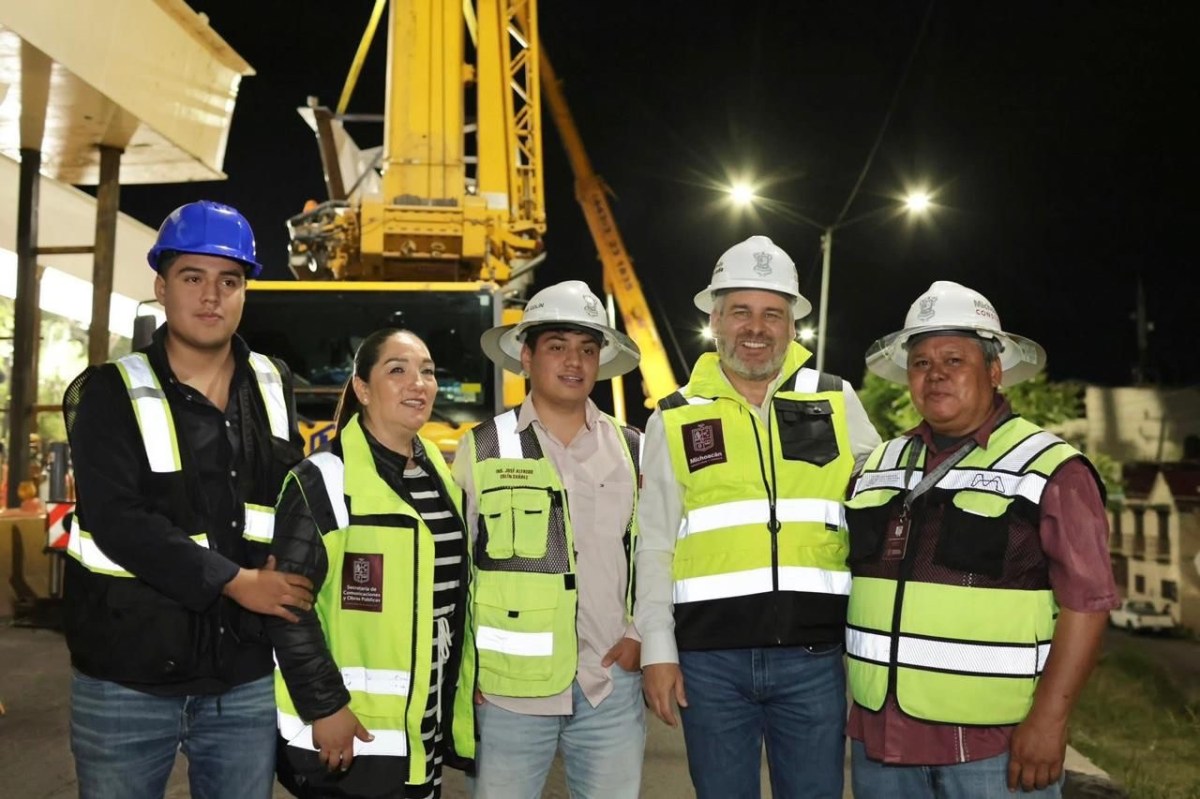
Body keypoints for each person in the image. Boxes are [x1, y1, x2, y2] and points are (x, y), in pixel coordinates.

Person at [62, 200, 310, 799]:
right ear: (161, 286)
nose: (211, 296)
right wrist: (236, 582)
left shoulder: (273, 384)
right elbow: (119, 521)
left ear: (245, 291)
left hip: (242, 677)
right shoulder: (110, 392)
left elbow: (290, 499)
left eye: (229, 280)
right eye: (192, 277)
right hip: (127, 678)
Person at [845, 280, 1117, 797]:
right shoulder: (879, 464)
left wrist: (1050, 722)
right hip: (880, 743)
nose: (935, 374)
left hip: (994, 750)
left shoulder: (1050, 468)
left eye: (954, 360)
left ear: (994, 371)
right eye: (921, 363)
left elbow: (1088, 605)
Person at [636, 235, 881, 799]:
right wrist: (658, 652)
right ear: (715, 322)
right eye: (740, 311)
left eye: (772, 314)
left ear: (793, 326)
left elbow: (879, 501)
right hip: (708, 665)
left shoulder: (836, 399)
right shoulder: (674, 417)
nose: (756, 327)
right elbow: (654, 544)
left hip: (813, 659)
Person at [453, 280, 645, 798]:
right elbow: (458, 571)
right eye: (557, 346)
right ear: (526, 356)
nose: (574, 362)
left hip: (609, 687)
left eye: (587, 349)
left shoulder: (633, 449)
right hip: (508, 692)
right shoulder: (483, 448)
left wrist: (640, 638)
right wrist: (468, 675)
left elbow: (653, 556)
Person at [268, 328, 475, 799]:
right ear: (362, 389)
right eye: (397, 370)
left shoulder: (436, 473)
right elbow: (286, 608)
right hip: (352, 735)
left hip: (423, 729)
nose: (418, 383)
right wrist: (325, 708)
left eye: (427, 372)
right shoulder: (323, 480)